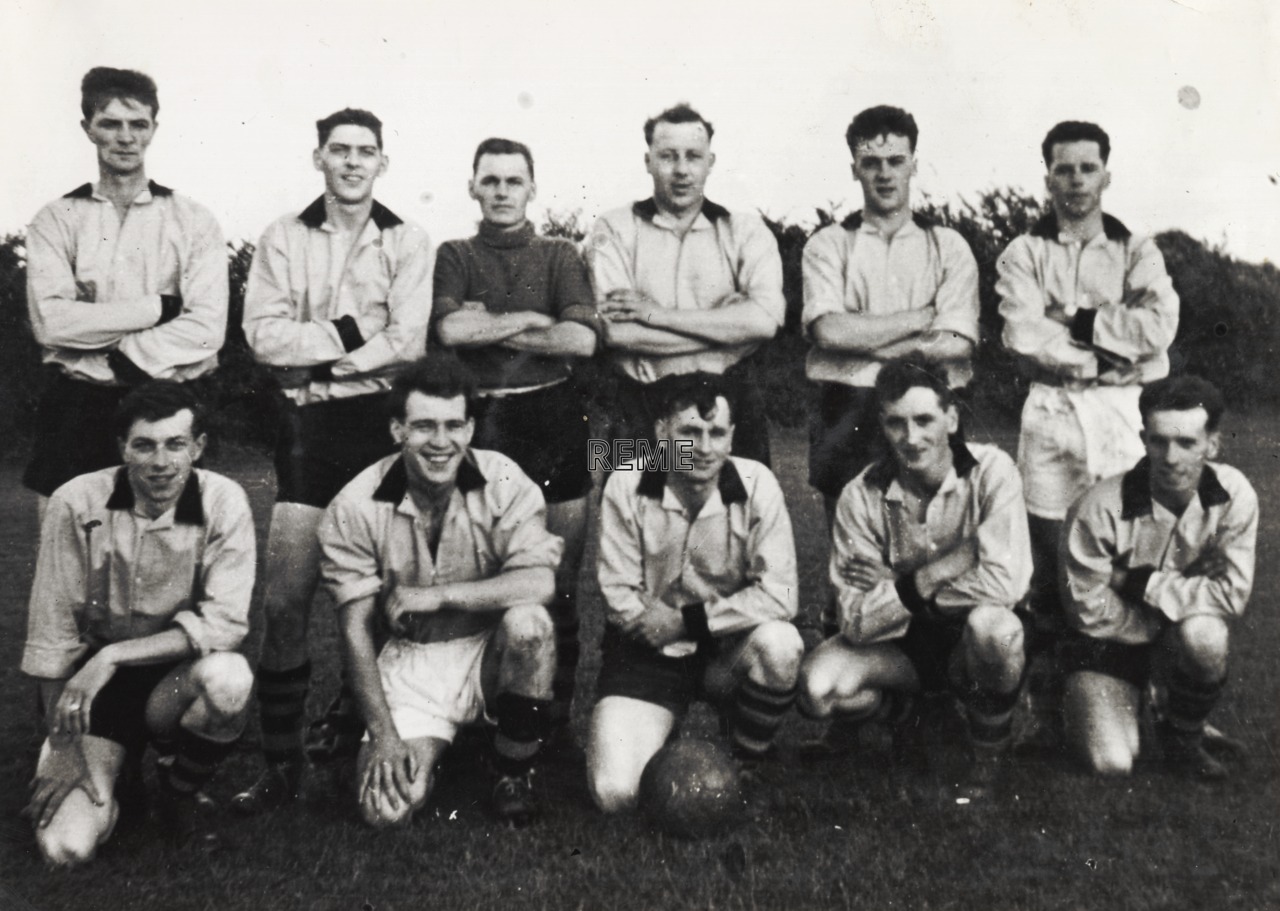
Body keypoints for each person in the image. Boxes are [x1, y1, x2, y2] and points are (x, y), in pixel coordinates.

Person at [233, 108, 435, 813]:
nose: (353, 162)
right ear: (318, 156)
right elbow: (262, 337)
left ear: (384, 162)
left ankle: (361, 727)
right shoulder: (283, 237)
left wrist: (321, 360)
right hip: (309, 428)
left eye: (367, 151)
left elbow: (408, 341)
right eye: (340, 150)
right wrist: (355, 336)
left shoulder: (409, 239)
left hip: (381, 426)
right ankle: (281, 759)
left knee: (382, 593)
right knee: (286, 598)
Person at [318, 360, 563, 827]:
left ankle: (512, 770)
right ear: (397, 429)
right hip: (413, 662)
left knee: (529, 625)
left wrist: (440, 595)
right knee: (386, 812)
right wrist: (385, 735)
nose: (440, 441)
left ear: (470, 428)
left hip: (486, 653)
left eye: (454, 425)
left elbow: (540, 582)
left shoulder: (502, 478)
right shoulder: (355, 503)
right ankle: (425, 745)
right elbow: (353, 630)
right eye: (424, 426)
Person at [21, 382, 256, 866]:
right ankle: (115, 775)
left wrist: (112, 656)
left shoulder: (224, 501)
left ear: (199, 447)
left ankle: (178, 792)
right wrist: (63, 745)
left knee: (230, 679)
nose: (160, 462)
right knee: (66, 848)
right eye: (144, 445)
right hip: (93, 689)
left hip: (172, 679)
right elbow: (51, 631)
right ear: (121, 448)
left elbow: (224, 624)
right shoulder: (75, 501)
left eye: (176, 444)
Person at [799, 356, 1031, 798]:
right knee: (817, 689)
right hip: (900, 648)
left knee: (995, 628)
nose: (911, 438)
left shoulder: (992, 473)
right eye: (895, 423)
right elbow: (854, 620)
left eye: (925, 420)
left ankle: (988, 746)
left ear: (952, 417)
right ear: (881, 425)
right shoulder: (859, 495)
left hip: (968, 641)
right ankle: (909, 713)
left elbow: (1005, 585)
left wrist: (894, 583)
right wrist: (936, 573)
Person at [432, 138, 597, 744]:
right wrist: (534, 320)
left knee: (559, 578)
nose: (502, 191)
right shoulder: (453, 253)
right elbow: (450, 329)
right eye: (490, 180)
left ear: (533, 188)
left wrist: (493, 329)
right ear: (472, 187)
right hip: (481, 421)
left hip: (554, 418)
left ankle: (553, 724)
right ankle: (478, 707)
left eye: (513, 181)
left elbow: (581, 342)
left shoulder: (559, 254)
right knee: (480, 569)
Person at [587, 372, 803, 814]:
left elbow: (781, 596)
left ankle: (746, 759)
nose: (704, 448)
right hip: (647, 652)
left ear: (731, 438)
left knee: (781, 645)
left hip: (727, 650)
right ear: (662, 432)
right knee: (616, 794)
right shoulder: (625, 481)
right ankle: (660, 725)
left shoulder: (758, 482)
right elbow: (620, 595)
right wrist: (661, 630)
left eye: (716, 433)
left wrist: (688, 622)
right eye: (689, 431)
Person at [997, 121, 1179, 636]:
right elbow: (1026, 336)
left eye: (1088, 168)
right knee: (1051, 560)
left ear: (1106, 175)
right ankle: (1057, 690)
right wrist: (1109, 356)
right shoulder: (1023, 252)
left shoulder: (1137, 250)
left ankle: (1148, 694)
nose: (1077, 180)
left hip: (1123, 412)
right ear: (1048, 179)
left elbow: (1158, 327)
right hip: (1051, 412)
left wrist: (1076, 318)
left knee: (1130, 552)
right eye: (1064, 169)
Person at [23, 67, 228, 510]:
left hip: (170, 407)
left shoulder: (192, 219)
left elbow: (208, 327)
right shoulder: (55, 219)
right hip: (77, 408)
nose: (125, 137)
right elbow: (52, 324)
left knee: (171, 550)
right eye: (110, 123)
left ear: (154, 128)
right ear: (88, 129)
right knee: (68, 551)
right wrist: (159, 307)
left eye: (138, 124)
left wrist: (120, 356)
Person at [1059, 375, 1256, 780]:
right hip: (1105, 648)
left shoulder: (1235, 495)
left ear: (1212, 445)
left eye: (1187, 443)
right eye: (1159, 441)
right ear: (1143, 438)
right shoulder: (1097, 509)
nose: (1170, 457)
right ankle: (1128, 705)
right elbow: (1090, 613)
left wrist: (1136, 583)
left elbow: (1231, 595)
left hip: (1165, 634)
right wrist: (1171, 613)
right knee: (1112, 762)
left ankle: (1183, 737)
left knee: (1206, 634)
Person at [802, 105, 978, 526]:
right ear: (854, 169)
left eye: (896, 161)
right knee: (851, 556)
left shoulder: (948, 246)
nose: (884, 174)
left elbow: (958, 343)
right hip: (849, 411)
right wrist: (921, 319)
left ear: (913, 165)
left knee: (931, 538)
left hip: (931, 406)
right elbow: (828, 331)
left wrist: (865, 335)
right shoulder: (829, 245)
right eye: (871, 163)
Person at [586, 102, 784, 466]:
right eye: (668, 156)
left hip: (729, 402)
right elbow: (617, 333)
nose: (681, 170)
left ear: (710, 161)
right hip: (640, 406)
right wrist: (728, 332)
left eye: (693, 156)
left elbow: (764, 322)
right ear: (648, 161)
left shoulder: (746, 231)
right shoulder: (612, 228)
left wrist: (653, 314)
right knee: (629, 513)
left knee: (742, 514)